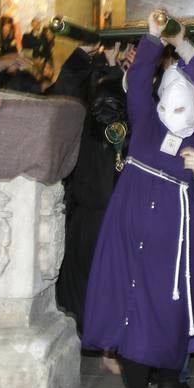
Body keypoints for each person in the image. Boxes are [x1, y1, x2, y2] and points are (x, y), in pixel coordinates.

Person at [82, 13, 194, 388]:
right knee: (130, 319)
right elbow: (142, 74)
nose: (172, 114)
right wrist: (151, 37)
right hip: (131, 245)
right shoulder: (146, 125)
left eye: (181, 108)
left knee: (169, 317)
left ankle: (168, 386)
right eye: (167, 106)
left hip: (175, 252)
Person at [52, 41, 130, 330]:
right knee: (88, 292)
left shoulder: (145, 98)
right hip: (91, 210)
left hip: (117, 211)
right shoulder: (92, 102)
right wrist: (94, 61)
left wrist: (114, 69)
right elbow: (65, 96)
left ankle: (106, 339)